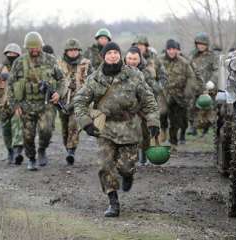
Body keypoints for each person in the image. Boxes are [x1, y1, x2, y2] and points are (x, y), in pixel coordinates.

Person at [74, 42, 160, 217]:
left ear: (120, 55)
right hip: (105, 128)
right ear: (103, 56)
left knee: (126, 167)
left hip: (129, 127)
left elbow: (149, 99)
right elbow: (80, 101)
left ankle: (128, 175)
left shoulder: (134, 75)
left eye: (116, 52)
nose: (113, 55)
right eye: (109, 53)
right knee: (105, 165)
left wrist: (153, 122)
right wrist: (86, 122)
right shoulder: (95, 78)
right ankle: (113, 202)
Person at [8, 31, 65, 171]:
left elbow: (62, 79)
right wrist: (14, 105)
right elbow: (10, 85)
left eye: (36, 47)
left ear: (41, 46)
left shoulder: (51, 60)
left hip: (46, 104)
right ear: (26, 48)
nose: (34, 50)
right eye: (31, 48)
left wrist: (59, 93)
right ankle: (31, 158)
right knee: (28, 136)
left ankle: (42, 150)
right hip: (26, 105)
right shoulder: (19, 62)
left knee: (46, 131)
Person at [125, 46, 161, 165]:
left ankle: (143, 157)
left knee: (145, 134)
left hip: (143, 107)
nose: (132, 61)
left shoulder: (146, 72)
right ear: (125, 58)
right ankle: (130, 158)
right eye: (129, 58)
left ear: (139, 59)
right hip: (126, 108)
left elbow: (155, 89)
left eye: (134, 59)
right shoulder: (120, 71)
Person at [58, 38, 92, 165]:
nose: (73, 52)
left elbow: (92, 81)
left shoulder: (86, 64)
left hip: (79, 101)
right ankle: (68, 147)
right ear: (66, 52)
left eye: (75, 50)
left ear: (79, 51)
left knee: (74, 125)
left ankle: (71, 151)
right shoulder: (59, 64)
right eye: (70, 50)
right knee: (64, 128)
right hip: (62, 101)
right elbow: (53, 80)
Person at [160, 39, 196, 150]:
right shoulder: (159, 61)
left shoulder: (183, 63)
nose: (171, 51)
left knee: (176, 121)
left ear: (177, 50)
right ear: (166, 50)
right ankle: (163, 130)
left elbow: (191, 77)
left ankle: (173, 142)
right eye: (169, 49)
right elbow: (151, 74)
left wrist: (188, 91)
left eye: (173, 49)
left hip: (178, 96)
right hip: (163, 95)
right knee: (162, 114)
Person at [132, 35, 168, 141]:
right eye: (137, 45)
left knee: (149, 125)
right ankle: (139, 154)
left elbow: (164, 77)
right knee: (135, 126)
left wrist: (158, 87)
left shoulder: (154, 60)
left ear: (146, 46)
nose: (139, 47)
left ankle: (148, 150)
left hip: (151, 98)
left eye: (141, 45)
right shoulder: (130, 58)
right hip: (133, 98)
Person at [189, 32, 218, 136]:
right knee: (191, 107)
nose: (200, 46)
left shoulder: (212, 56)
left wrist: (212, 81)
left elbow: (217, 70)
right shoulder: (192, 55)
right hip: (195, 87)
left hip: (208, 87)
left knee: (208, 110)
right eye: (199, 43)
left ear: (207, 45)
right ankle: (193, 126)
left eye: (203, 44)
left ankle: (207, 126)